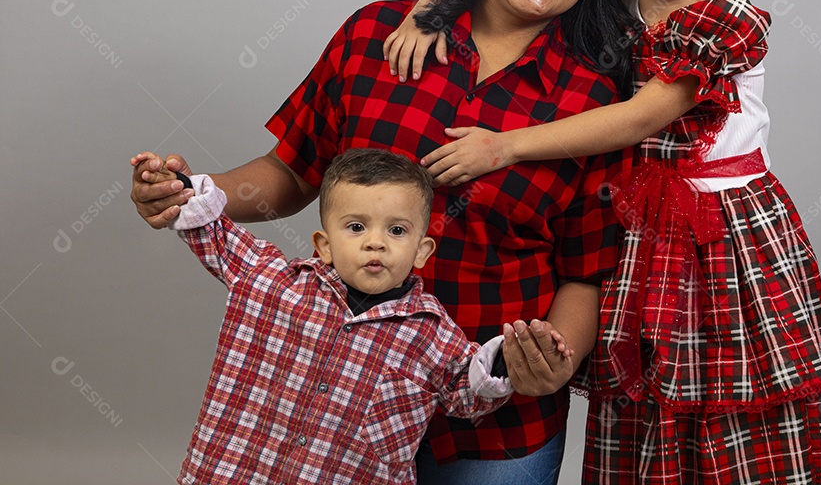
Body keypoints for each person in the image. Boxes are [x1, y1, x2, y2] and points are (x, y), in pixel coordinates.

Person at [131, 0, 635, 485]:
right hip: (339, 413)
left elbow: (586, 270)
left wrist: (553, 361)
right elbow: (292, 170)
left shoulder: (599, 105)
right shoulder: (375, 36)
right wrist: (193, 195)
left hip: (497, 425)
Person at [386, 0, 821, 484]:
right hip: (640, 236)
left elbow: (642, 117)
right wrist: (432, 5)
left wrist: (505, 145)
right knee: (644, 403)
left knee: (729, 402)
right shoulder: (612, 19)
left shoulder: (728, 22)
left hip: (725, 239)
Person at [139, 147, 538, 484]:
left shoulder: (432, 334)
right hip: (230, 472)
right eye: (356, 227)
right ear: (324, 244)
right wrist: (177, 187)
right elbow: (214, 233)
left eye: (397, 231)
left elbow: (469, 393)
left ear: (422, 250)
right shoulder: (270, 280)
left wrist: (508, 358)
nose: (375, 243)